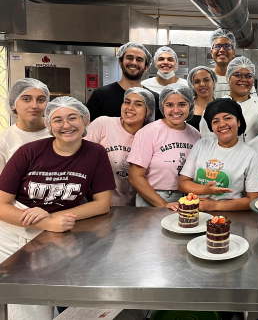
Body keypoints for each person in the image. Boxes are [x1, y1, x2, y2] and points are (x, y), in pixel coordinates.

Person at [0, 97, 115, 320]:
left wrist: (53, 217)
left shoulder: (95, 153)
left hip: (61, 233)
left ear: (86, 119)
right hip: (15, 232)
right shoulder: (29, 151)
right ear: (48, 125)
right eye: (57, 120)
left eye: (73, 118)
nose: (66, 125)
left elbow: (102, 204)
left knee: (71, 300)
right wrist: (46, 222)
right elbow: (1, 204)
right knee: (31, 309)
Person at [179, 98, 258, 211]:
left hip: (231, 217)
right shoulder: (201, 145)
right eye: (215, 121)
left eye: (227, 118)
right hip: (195, 213)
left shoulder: (250, 156)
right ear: (211, 127)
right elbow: (183, 184)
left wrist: (215, 205)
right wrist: (206, 189)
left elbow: (254, 200)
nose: (222, 124)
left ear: (238, 122)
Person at [128, 83, 200, 207]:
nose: (176, 110)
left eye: (182, 104)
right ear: (162, 106)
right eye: (170, 105)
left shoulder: (195, 134)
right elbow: (135, 177)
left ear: (190, 106)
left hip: (186, 198)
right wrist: (163, 204)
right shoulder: (148, 132)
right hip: (152, 199)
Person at [86, 87, 155, 207]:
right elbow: (81, 164)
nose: (130, 107)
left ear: (148, 111)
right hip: (98, 204)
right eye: (127, 102)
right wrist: (96, 201)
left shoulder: (151, 135)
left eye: (138, 104)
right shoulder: (104, 124)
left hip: (136, 207)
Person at [86, 41, 162, 121]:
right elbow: (89, 127)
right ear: (121, 63)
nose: (134, 62)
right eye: (129, 58)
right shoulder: (101, 95)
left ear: (146, 67)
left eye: (139, 60)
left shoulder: (154, 98)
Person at [201, 57, 258, 142]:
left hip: (256, 154)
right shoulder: (215, 107)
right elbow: (207, 141)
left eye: (249, 76)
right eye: (238, 75)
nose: (244, 80)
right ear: (228, 78)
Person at [0, 78, 51, 173]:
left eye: (41, 100)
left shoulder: (59, 131)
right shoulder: (4, 140)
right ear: (13, 103)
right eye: (26, 99)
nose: (34, 105)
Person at [209, 28, 257, 99]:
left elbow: (253, 104)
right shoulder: (205, 78)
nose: (222, 50)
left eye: (227, 46)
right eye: (217, 46)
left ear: (234, 52)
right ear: (212, 52)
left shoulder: (243, 80)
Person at [186, 66, 217, 131]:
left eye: (206, 80)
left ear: (214, 83)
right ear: (192, 85)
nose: (202, 84)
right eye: (197, 82)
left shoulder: (222, 106)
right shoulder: (186, 107)